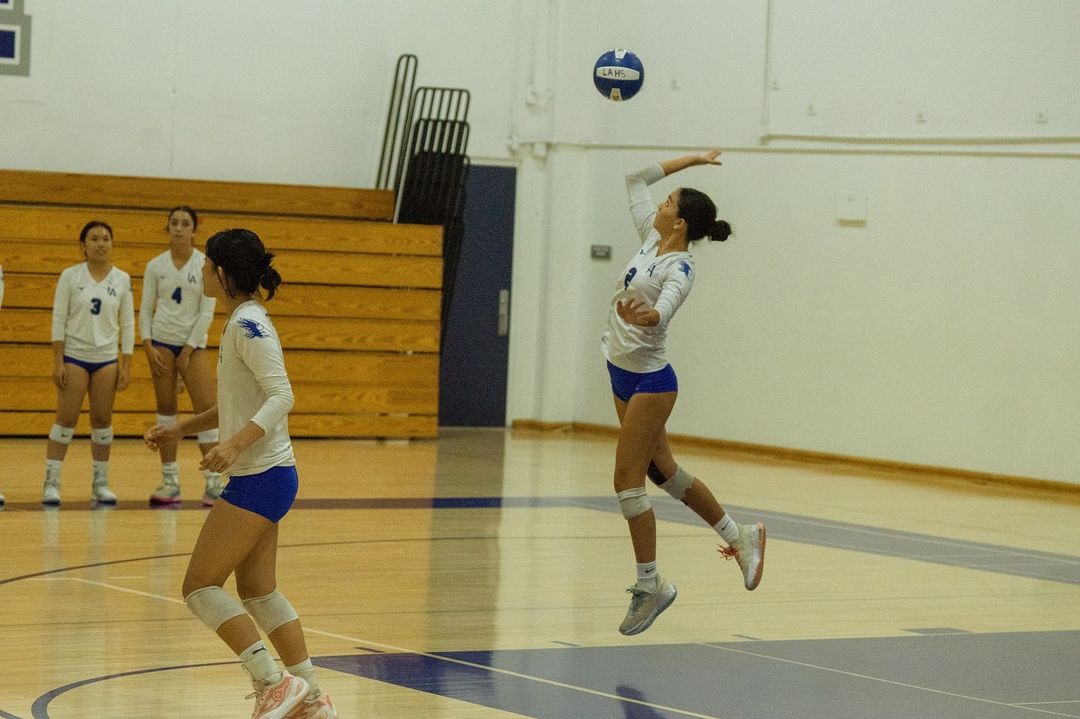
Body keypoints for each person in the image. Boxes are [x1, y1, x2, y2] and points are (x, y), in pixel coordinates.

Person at [143, 229, 335, 719]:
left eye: (208, 266)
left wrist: (233, 445)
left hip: (261, 476)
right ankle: (310, 697)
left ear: (223, 274)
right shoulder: (240, 323)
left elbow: (282, 396)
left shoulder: (250, 327)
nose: (202, 272)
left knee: (200, 587)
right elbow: (232, 404)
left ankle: (273, 682)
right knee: (258, 591)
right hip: (270, 476)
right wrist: (181, 428)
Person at [602, 151, 767, 636]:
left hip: (652, 381)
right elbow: (635, 177)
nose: (660, 203)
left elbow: (663, 312)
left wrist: (644, 317)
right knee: (662, 472)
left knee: (627, 480)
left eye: (668, 201)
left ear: (681, 221)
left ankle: (651, 584)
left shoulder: (681, 267)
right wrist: (692, 159)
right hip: (619, 371)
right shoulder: (651, 238)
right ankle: (741, 538)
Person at [42, 221, 134, 506]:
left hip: (106, 358)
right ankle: (51, 482)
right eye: (94, 238)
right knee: (66, 419)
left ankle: (101, 483)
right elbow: (58, 319)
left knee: (102, 420)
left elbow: (127, 323)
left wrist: (126, 363)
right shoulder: (70, 276)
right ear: (83, 245)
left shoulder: (122, 279)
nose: (101, 243)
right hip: (74, 356)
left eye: (106, 238)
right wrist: (58, 361)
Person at [140, 206, 223, 506]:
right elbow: (146, 308)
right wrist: (147, 344)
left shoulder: (205, 264)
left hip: (193, 345)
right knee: (166, 409)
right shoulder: (156, 266)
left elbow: (206, 311)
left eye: (185, 223)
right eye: (174, 222)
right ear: (167, 227)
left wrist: (188, 350)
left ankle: (213, 483)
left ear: (194, 229)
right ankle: (170, 480)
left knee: (207, 409)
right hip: (161, 342)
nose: (178, 228)